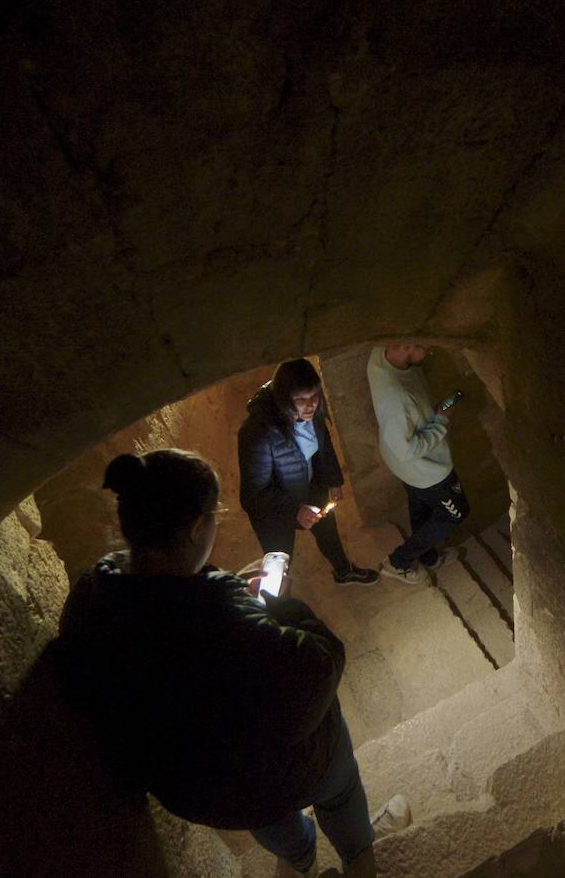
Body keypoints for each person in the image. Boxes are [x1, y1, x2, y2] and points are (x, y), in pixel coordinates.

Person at [55, 449, 411, 876]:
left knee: (263, 814)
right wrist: (280, 607)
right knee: (338, 789)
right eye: (214, 519)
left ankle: (298, 861)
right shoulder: (217, 620)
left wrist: (231, 592)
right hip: (283, 767)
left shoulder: (91, 599)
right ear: (194, 528)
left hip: (205, 791)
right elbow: (319, 664)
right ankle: (359, 857)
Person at [238, 358, 378, 586]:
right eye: (300, 400)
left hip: (310, 489)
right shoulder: (258, 432)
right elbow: (253, 495)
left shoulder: (314, 413)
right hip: (274, 512)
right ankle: (278, 610)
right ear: (284, 399)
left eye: (314, 396)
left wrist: (333, 480)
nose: (310, 405)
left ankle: (344, 571)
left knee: (329, 533)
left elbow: (324, 445)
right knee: (278, 566)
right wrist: (295, 510)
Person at [366, 344, 471, 584]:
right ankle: (398, 561)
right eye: (428, 346)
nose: (432, 351)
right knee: (455, 513)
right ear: (405, 346)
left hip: (407, 469)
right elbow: (407, 450)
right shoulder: (396, 397)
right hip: (427, 470)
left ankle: (429, 556)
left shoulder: (379, 356)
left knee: (421, 509)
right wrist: (442, 420)